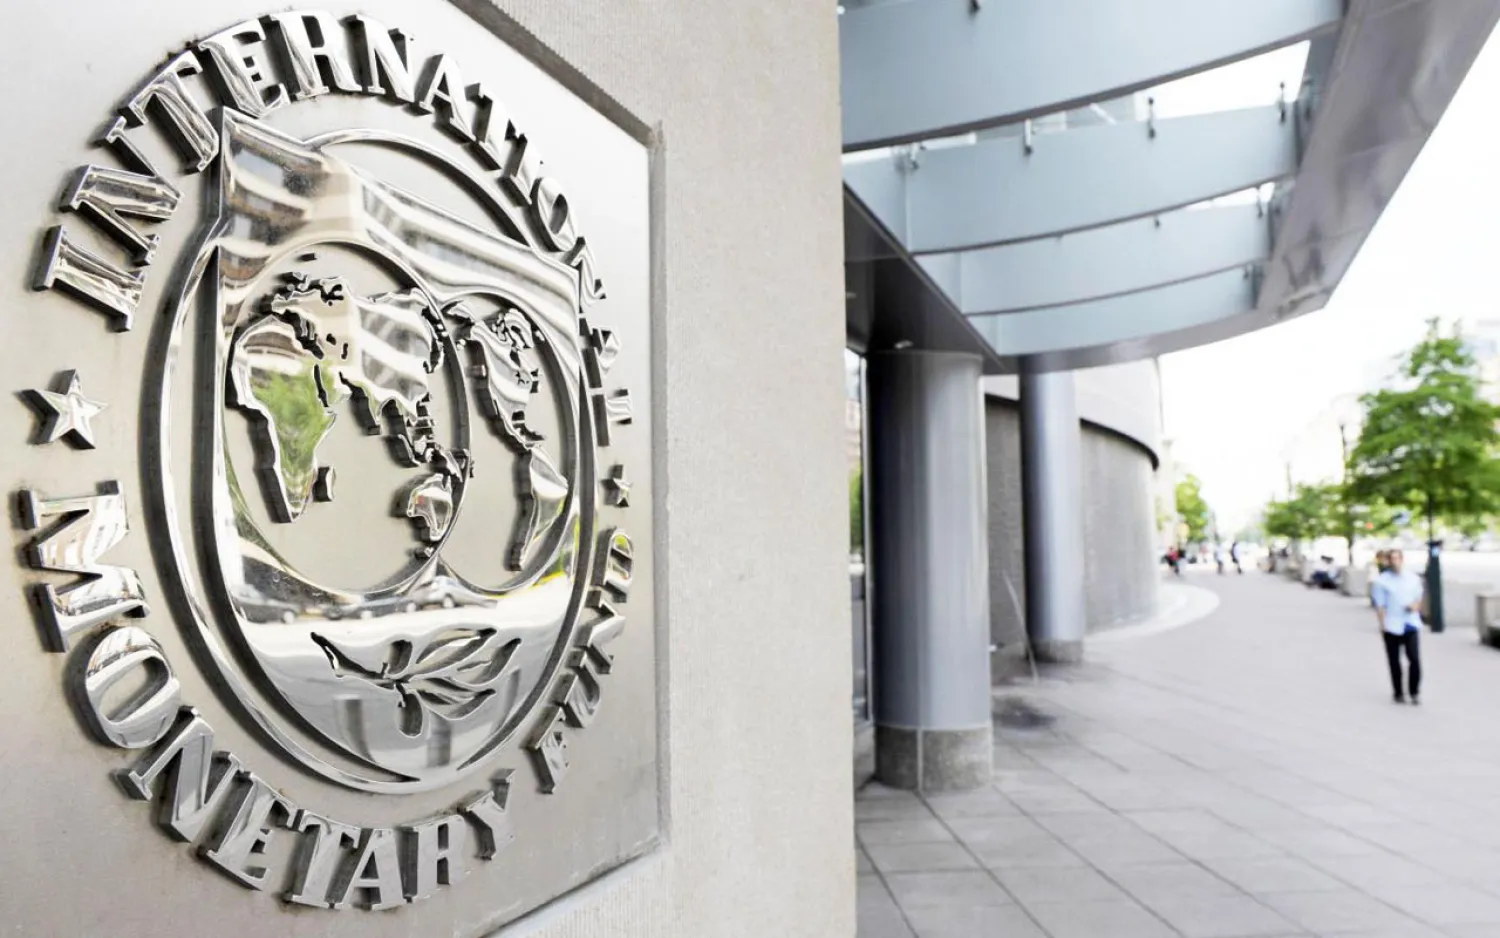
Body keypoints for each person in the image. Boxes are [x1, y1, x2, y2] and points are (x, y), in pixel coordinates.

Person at [1370, 548, 1424, 704]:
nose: (1395, 562)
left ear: (1402, 559)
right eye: (1392, 559)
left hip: (1410, 623)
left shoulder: (1413, 579)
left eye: (1397, 558)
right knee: (1394, 661)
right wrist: (1382, 625)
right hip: (1391, 625)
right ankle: (1398, 691)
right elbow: (1380, 605)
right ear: (1388, 561)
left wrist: (1415, 606)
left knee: (1414, 659)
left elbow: (1419, 598)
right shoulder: (1382, 581)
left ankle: (1414, 692)